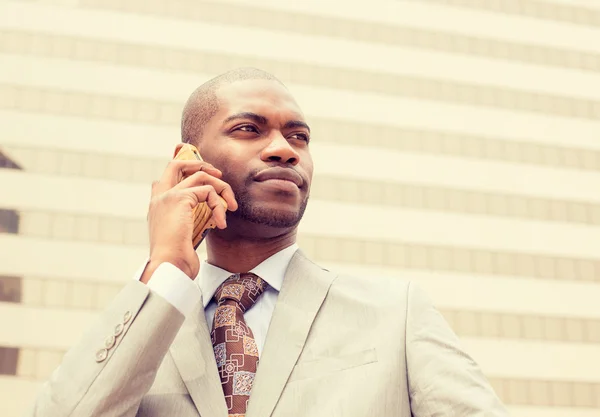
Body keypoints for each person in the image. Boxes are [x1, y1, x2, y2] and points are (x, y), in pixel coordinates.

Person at [27, 68, 508, 417]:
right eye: (248, 129)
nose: (284, 149)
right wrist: (166, 268)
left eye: (299, 137)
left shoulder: (398, 313)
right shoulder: (143, 324)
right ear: (190, 160)